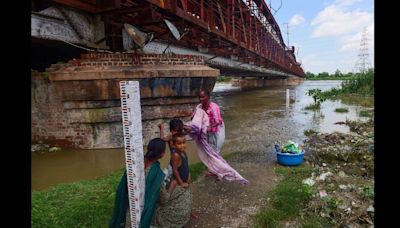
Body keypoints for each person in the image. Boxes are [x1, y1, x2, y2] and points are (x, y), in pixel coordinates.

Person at [109, 138, 172, 228]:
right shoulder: (157, 174)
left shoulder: (134, 164)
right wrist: (171, 187)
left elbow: (124, 188)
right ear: (162, 155)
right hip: (141, 215)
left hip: (128, 209)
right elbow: (164, 199)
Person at [153, 133, 193, 227]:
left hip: (184, 177)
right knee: (169, 194)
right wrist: (180, 182)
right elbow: (175, 170)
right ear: (174, 145)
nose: (182, 145)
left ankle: (186, 210)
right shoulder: (175, 155)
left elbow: (185, 165)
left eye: (184, 142)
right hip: (176, 180)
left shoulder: (183, 153)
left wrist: (188, 175)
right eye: (179, 144)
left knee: (187, 194)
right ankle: (164, 201)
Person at [196, 89, 225, 153]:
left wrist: (210, 126)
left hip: (215, 130)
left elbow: (218, 121)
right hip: (205, 130)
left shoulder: (214, 107)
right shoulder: (199, 107)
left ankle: (216, 161)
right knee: (207, 148)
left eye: (203, 97)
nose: (201, 99)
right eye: (200, 97)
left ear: (208, 97)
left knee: (215, 149)